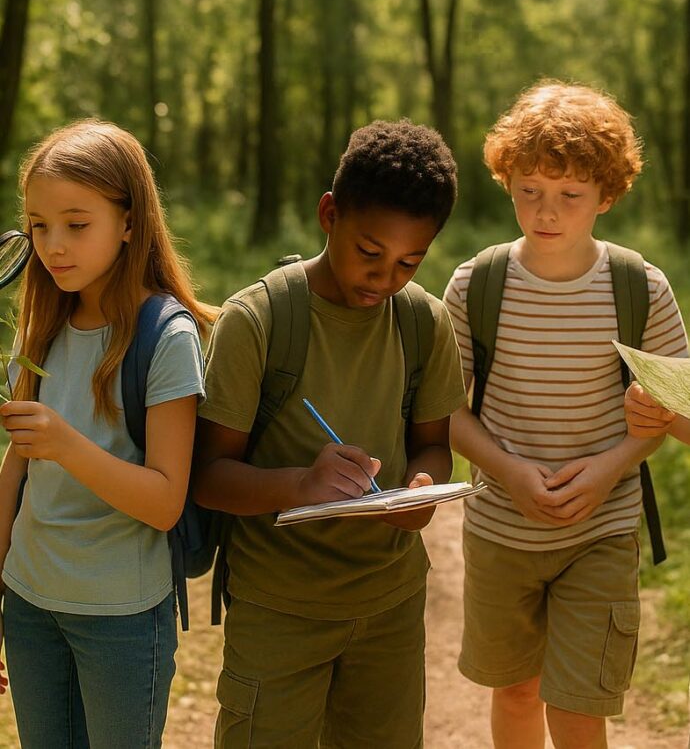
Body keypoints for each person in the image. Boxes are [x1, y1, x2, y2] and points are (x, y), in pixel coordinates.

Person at [194, 119, 464, 749]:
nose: (384, 278)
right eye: (369, 253)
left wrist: (422, 490)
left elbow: (433, 443)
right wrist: (302, 484)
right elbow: (207, 478)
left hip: (390, 607)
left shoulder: (425, 323)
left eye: (409, 262)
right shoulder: (256, 321)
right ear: (329, 214)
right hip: (278, 609)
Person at [443, 81, 688, 749]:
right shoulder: (475, 285)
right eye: (529, 190)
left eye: (570, 195)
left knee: (579, 707)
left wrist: (616, 460)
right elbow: (445, 413)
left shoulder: (641, 288)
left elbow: (676, 414)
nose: (545, 211)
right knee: (517, 692)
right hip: (500, 528)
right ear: (507, 182)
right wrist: (510, 471)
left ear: (607, 195)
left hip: (601, 530)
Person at [0, 120, 215, 749]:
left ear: (129, 221)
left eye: (76, 223)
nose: (53, 245)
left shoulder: (166, 339)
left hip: (121, 617)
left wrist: (65, 443)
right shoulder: (40, 323)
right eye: (38, 225)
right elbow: (16, 469)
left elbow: (165, 500)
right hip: (29, 602)